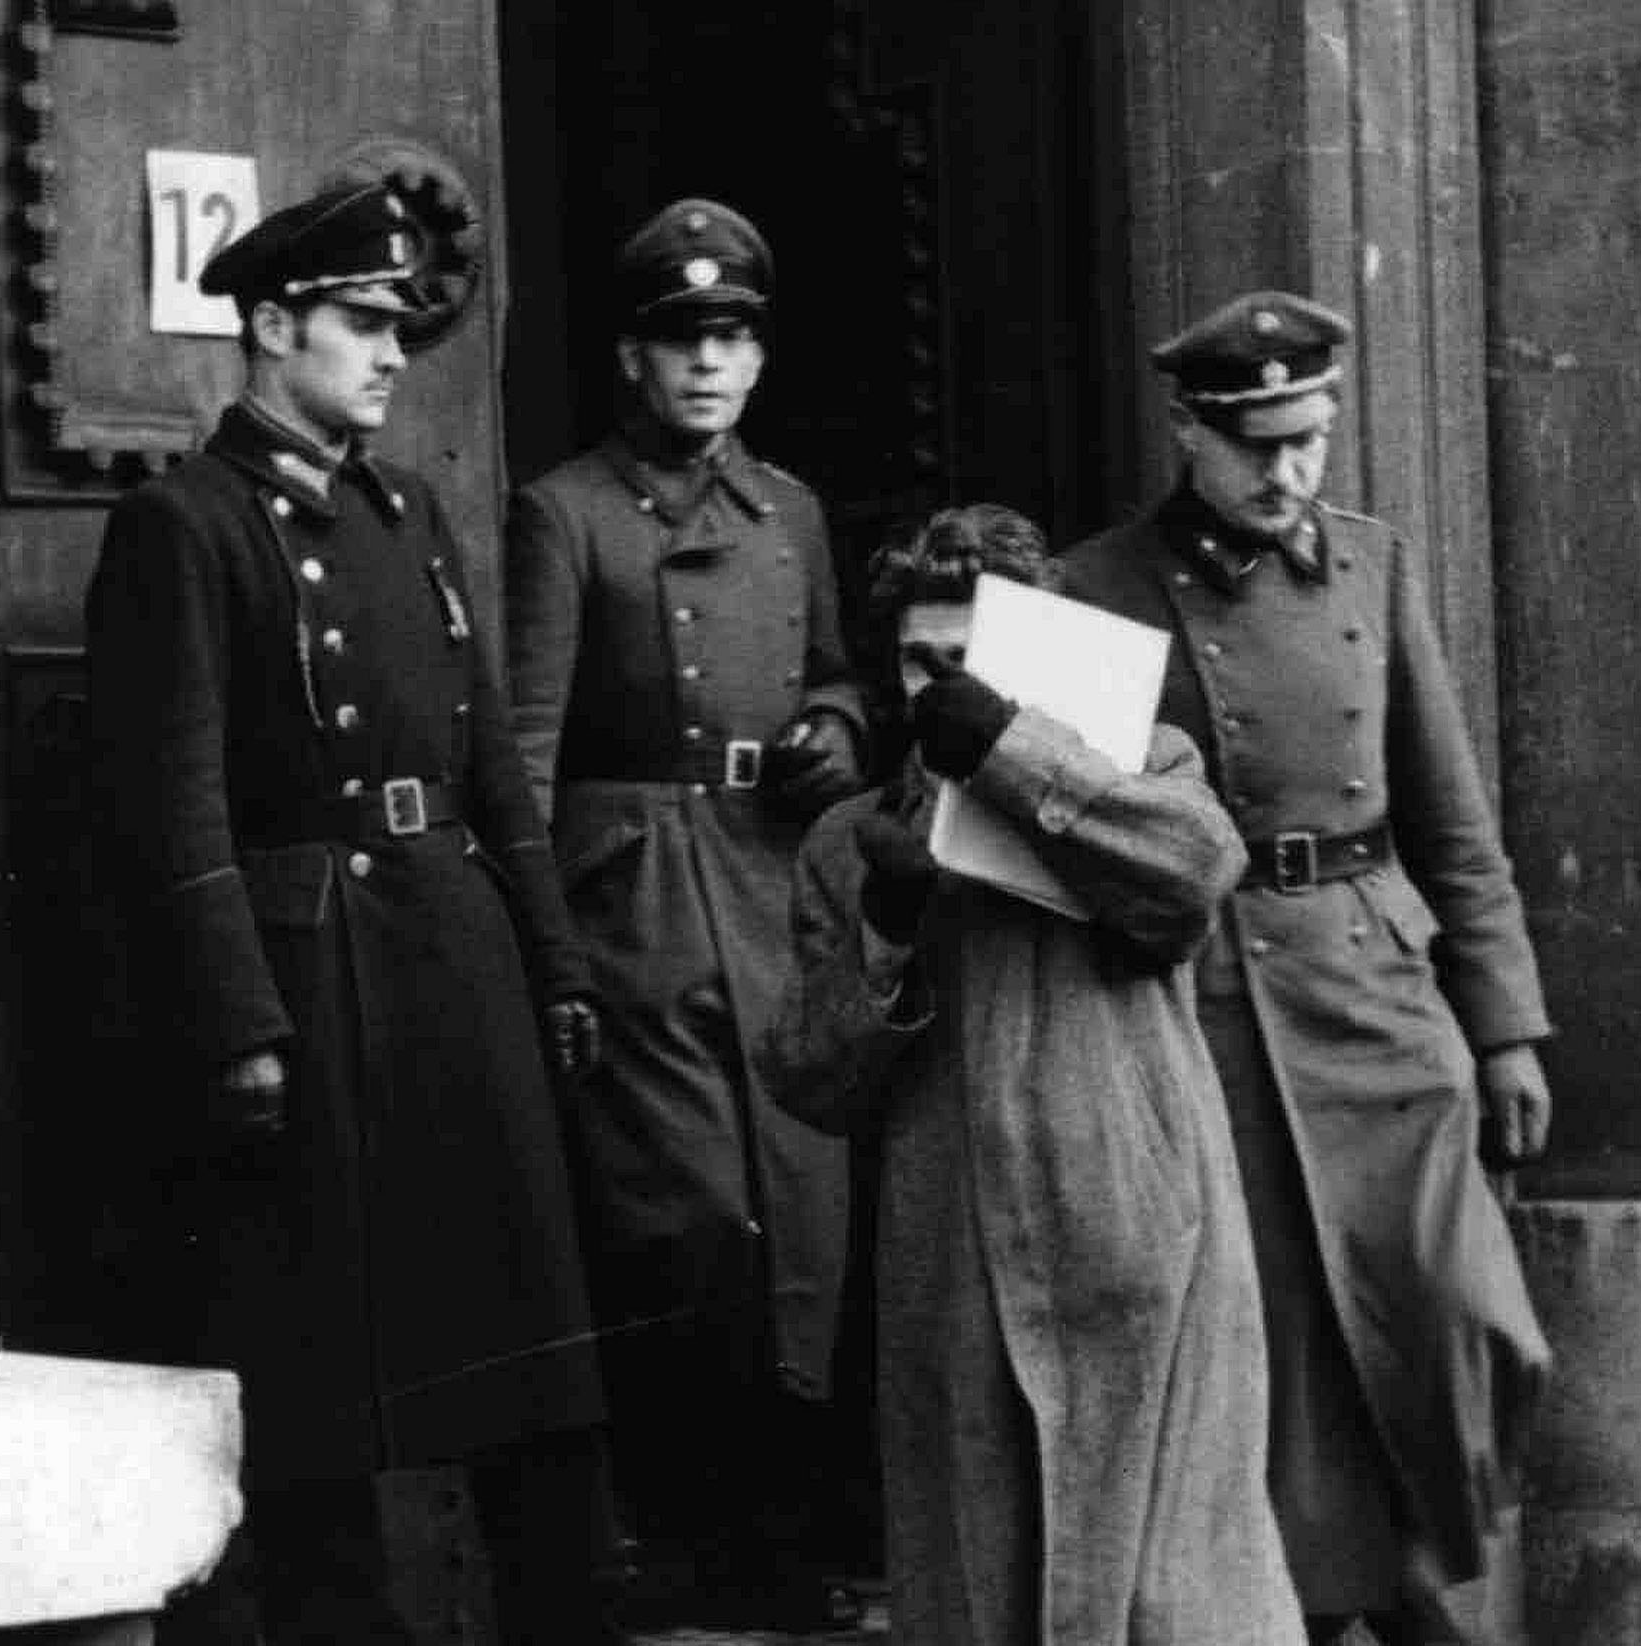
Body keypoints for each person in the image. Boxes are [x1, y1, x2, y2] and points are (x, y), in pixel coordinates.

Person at [85, 181, 624, 1645]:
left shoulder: (411, 509)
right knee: (328, 1386)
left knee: (532, 1366)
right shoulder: (183, 525)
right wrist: (238, 1025)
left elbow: (489, 762)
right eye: (361, 325)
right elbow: (171, 801)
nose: (392, 356)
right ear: (270, 326)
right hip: (315, 984)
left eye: (401, 327)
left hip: (454, 955)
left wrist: (549, 957)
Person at [1059, 291, 1554, 1645]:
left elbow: (1450, 817)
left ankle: (1405, 1580)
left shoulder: (1373, 565)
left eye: (1310, 440)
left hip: (1377, 985)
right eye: (1258, 445)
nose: (1287, 474)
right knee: (1278, 1352)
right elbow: (1061, 832)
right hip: (1210, 1006)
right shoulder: (1091, 587)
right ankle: (1328, 1608)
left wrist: (1500, 1024)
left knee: (1455, 1312)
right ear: (1188, 431)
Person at [765, 503, 1305, 1646]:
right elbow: (812, 1079)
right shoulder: (848, 838)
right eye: (919, 659)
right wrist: (889, 925)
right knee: (982, 1587)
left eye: (969, 659)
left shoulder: (1136, 766)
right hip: (955, 1267)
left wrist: (1009, 750)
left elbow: (1199, 874)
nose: (938, 684)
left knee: (1173, 1597)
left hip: (1140, 1239)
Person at [504, 196, 869, 1630]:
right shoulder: (567, 512)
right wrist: (540, 941)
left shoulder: (789, 512)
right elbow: (525, 741)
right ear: (630, 359)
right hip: (637, 893)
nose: (708, 364)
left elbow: (840, 666)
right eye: (680, 338)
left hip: (771, 877)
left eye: (731, 338)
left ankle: (789, 1536)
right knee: (693, 1219)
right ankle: (695, 1530)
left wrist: (837, 723)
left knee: (805, 1213)